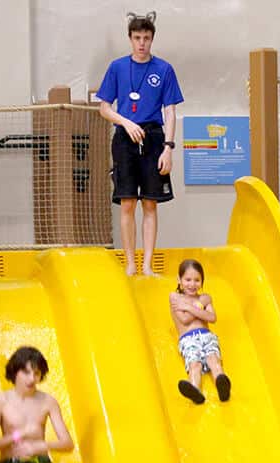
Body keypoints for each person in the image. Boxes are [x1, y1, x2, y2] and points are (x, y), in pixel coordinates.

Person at [97, 12, 184, 276]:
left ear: (152, 39)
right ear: (130, 39)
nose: (142, 43)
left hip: (154, 137)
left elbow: (169, 111)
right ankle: (130, 263)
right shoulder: (117, 67)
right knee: (127, 203)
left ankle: (147, 264)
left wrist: (168, 147)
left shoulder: (164, 69)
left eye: (146, 38)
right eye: (137, 38)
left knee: (150, 203)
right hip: (125, 136)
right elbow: (104, 108)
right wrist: (125, 122)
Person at [170, 259, 231, 404]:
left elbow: (212, 317)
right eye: (188, 279)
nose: (192, 284)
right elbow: (184, 319)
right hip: (188, 339)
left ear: (202, 281)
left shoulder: (203, 297)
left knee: (214, 360)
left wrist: (190, 307)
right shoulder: (175, 297)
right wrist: (200, 305)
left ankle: (222, 385)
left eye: (197, 280)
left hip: (207, 336)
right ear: (179, 279)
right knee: (194, 364)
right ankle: (194, 389)